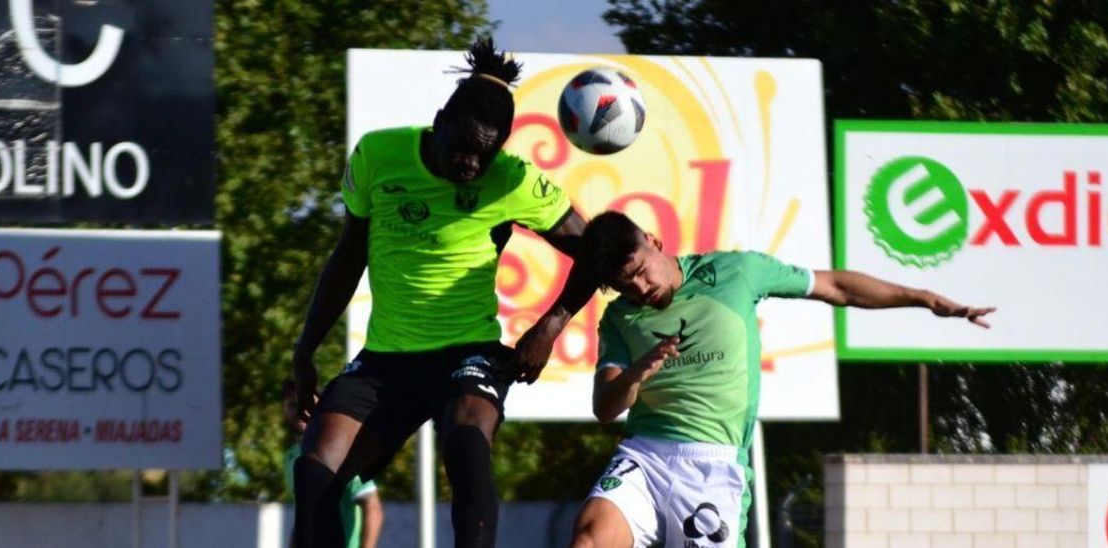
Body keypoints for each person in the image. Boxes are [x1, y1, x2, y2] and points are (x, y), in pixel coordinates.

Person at [291, 37, 594, 548]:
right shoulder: (378, 155)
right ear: (440, 119)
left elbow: (596, 249)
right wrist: (305, 348)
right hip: (386, 360)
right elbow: (348, 256)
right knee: (315, 471)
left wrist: (551, 323)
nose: (472, 165)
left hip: (467, 355)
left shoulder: (512, 180)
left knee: (467, 448)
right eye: (463, 148)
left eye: (486, 154)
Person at [568, 211, 995, 548]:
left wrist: (923, 299)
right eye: (627, 285)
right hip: (645, 457)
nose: (642, 288)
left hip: (712, 468)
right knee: (589, 540)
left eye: (642, 270)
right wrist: (637, 373)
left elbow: (837, 287)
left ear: (653, 241)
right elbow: (605, 407)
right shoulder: (620, 318)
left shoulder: (738, 272)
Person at [283, 378, 383, 548]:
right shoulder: (291, 457)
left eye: (307, 402)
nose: (300, 410)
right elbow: (303, 518)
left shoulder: (340, 449)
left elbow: (372, 508)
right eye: (292, 405)